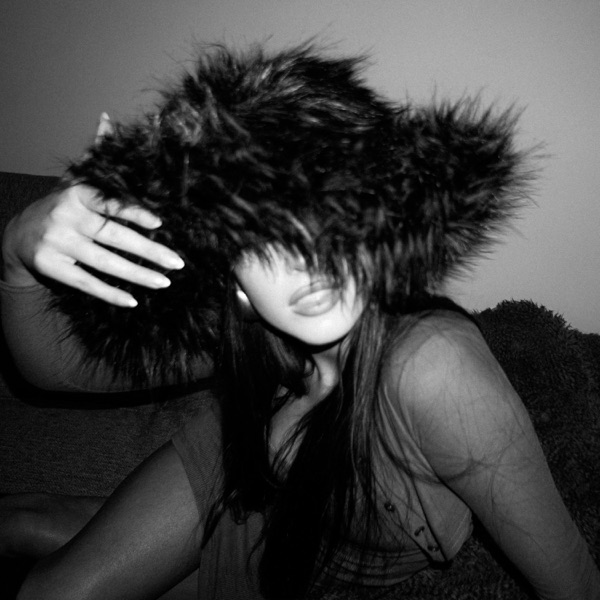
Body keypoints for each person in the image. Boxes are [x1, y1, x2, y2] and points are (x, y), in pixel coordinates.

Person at [1, 44, 599, 600]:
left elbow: (571, 578)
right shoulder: (250, 321)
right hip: (234, 468)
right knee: (31, 527)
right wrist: (16, 253)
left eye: (330, 205)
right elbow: (54, 371)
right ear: (228, 265)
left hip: (313, 556)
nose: (310, 257)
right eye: (259, 229)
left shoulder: (435, 371)